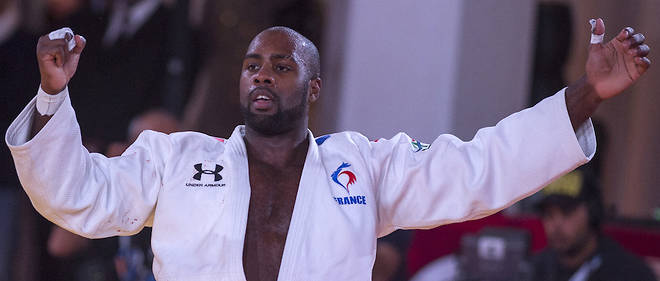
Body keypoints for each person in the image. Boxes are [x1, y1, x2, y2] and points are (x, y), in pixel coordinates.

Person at [4, 17, 651, 280]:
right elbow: (78, 197)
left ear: (312, 86)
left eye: (280, 65)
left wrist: (587, 94)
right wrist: (53, 97)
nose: (260, 73)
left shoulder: (363, 167)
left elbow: (482, 166)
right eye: (253, 63)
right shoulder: (175, 160)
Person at [532, 167, 657, 281]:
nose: (556, 224)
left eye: (567, 212)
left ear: (593, 212)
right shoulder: (532, 269)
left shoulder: (631, 274)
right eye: (549, 214)